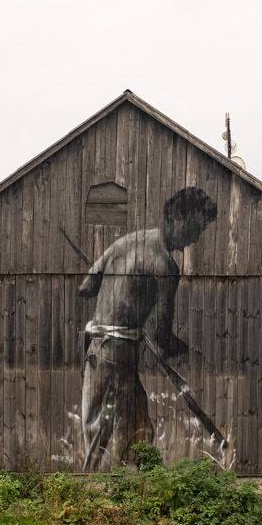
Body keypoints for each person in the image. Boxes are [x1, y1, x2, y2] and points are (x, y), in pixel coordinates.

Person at [78, 186, 217, 471]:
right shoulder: (165, 265)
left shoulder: (125, 243)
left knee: (129, 419)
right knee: (114, 424)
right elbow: (163, 336)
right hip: (118, 353)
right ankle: (104, 483)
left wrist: (117, 283)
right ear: (176, 218)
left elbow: (86, 287)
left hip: (95, 348)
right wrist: (179, 346)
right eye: (195, 228)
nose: (194, 238)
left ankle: (127, 480)